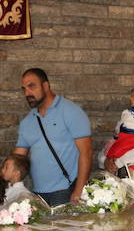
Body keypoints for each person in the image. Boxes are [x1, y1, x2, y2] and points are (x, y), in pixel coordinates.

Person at [14, 68, 92, 206]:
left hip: (66, 191)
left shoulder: (71, 111)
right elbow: (17, 159)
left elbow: (86, 152)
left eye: (31, 86)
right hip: (38, 194)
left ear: (46, 85)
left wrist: (79, 190)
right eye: (24, 89)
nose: (27, 93)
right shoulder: (27, 122)